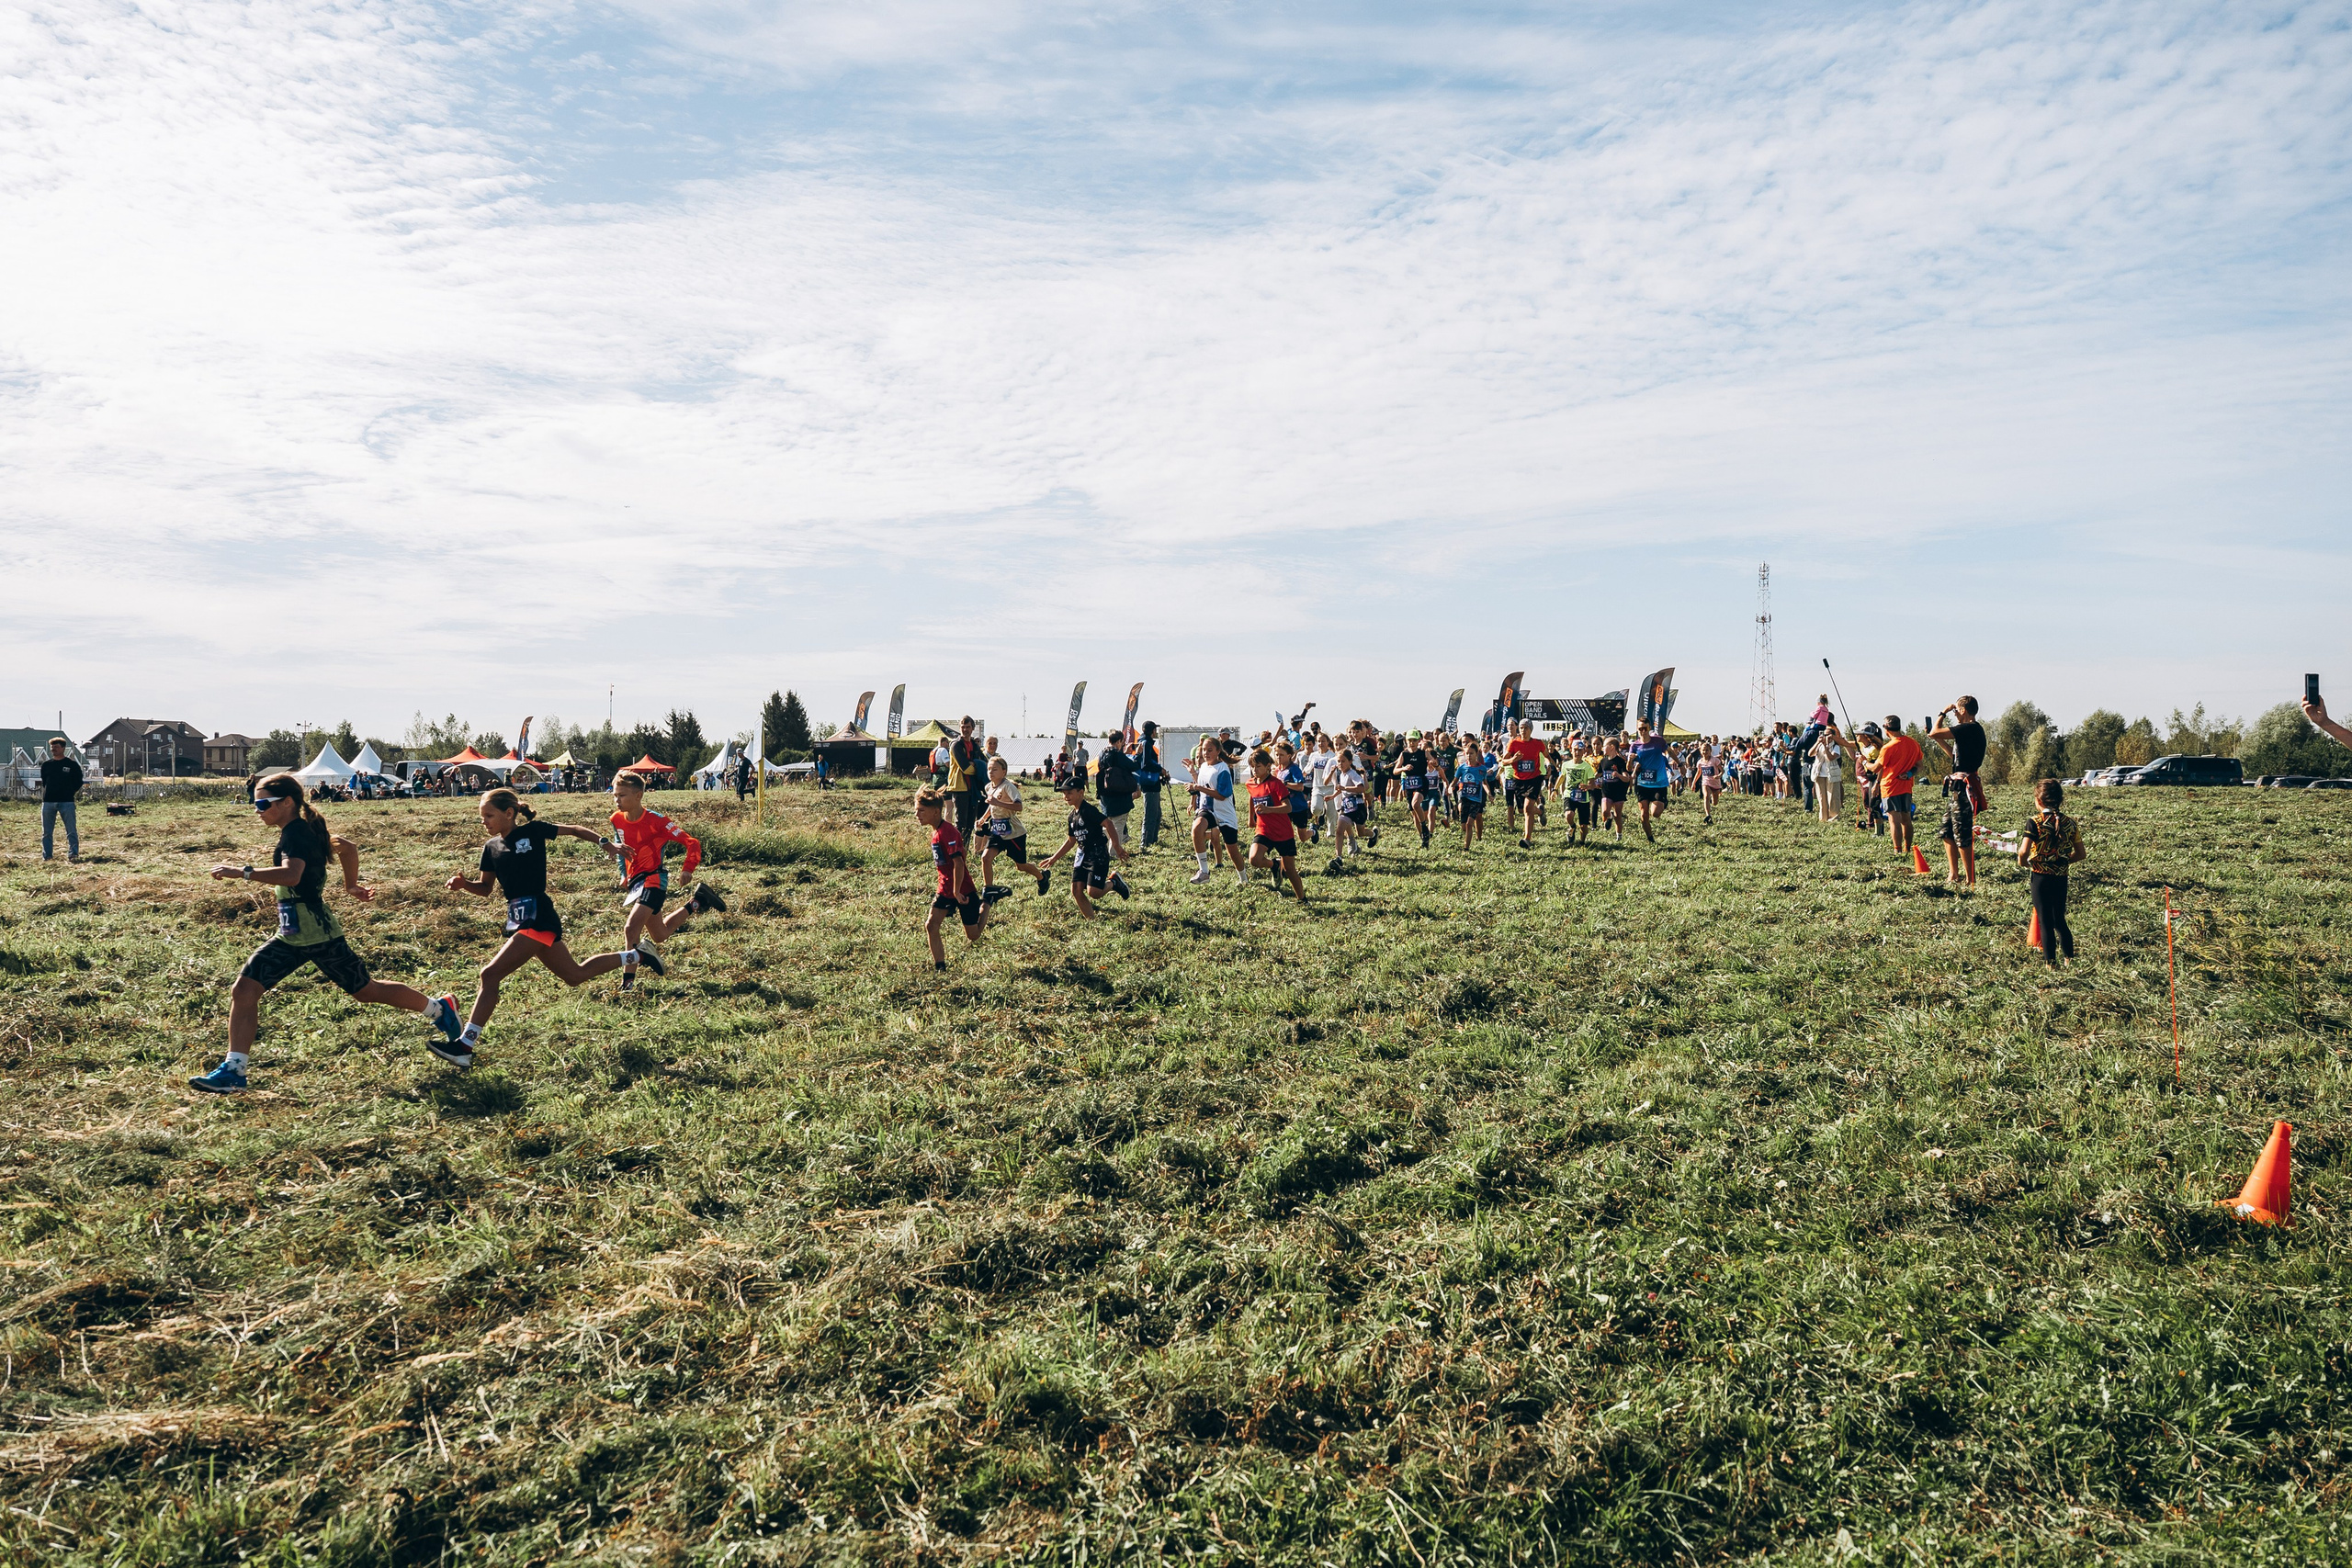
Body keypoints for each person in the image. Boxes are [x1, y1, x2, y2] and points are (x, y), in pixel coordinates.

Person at [187, 773, 466, 1094]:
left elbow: (292, 875)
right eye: (255, 804)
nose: (257, 810)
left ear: (287, 802)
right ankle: (234, 1071)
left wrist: (243, 872)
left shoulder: (296, 834)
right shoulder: (302, 830)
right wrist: (350, 885)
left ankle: (440, 1010)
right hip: (292, 935)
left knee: (365, 990)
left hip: (318, 935)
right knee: (245, 990)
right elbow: (346, 848)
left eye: (263, 803)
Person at [443, 788, 633, 1057]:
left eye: (489, 815)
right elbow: (485, 888)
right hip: (520, 918)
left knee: (490, 974)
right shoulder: (491, 848)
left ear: (509, 814)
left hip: (539, 915)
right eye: (481, 816)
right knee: (574, 975)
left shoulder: (533, 831)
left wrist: (607, 844)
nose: (483, 821)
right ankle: (636, 954)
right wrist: (464, 885)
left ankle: (465, 1045)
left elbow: (577, 829)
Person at [605, 771, 726, 989]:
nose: (616, 801)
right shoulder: (616, 820)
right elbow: (620, 847)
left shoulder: (657, 821)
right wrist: (624, 873)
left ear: (639, 795)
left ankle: (627, 985)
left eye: (621, 796)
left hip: (654, 880)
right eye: (614, 795)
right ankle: (698, 900)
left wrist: (688, 868)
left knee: (631, 929)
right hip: (636, 883)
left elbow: (692, 842)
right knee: (660, 934)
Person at [1037, 777, 1132, 917]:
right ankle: (1091, 921)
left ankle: (1113, 882)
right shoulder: (1072, 817)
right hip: (1082, 853)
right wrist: (1054, 858)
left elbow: (1108, 824)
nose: (1066, 796)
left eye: (1069, 793)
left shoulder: (1088, 810)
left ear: (1081, 793)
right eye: (1064, 793)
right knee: (1076, 890)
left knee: (1094, 892)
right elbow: (1071, 841)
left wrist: (1117, 846)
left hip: (1097, 853)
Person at [2017, 778, 2086, 965]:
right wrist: (2061, 863)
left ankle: (2050, 964)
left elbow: (2023, 851)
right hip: (2061, 877)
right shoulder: (2071, 824)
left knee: (2045, 921)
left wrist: (2023, 862)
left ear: (2038, 801)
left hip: (2040, 877)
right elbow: (2081, 854)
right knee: (2059, 920)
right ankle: (2069, 959)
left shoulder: (2034, 822)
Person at [918, 786, 988, 964]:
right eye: (916, 811)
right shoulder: (936, 831)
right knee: (931, 925)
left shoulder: (947, 832)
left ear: (935, 812)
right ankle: (940, 967)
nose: (917, 815)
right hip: (945, 888)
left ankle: (988, 901)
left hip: (962, 888)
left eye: (921, 811)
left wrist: (957, 892)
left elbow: (958, 863)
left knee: (973, 936)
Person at [1928, 696, 1986, 887]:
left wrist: (1942, 713)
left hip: (1964, 788)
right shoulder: (1969, 732)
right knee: (1947, 831)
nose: (1954, 715)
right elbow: (1953, 755)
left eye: (1956, 711)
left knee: (1962, 834)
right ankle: (1954, 874)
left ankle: (1971, 879)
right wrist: (1937, 738)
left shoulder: (1970, 728)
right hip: (1957, 786)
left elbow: (1934, 732)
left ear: (1963, 710)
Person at [978, 757, 1051, 901]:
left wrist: (998, 802)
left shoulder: (1008, 787)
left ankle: (1042, 877)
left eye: (995, 769)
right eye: (989, 769)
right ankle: (989, 890)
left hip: (1014, 833)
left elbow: (1019, 807)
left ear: (1004, 771)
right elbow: (992, 805)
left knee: (1021, 866)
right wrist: (983, 819)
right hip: (998, 831)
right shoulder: (989, 787)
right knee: (985, 858)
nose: (990, 772)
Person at [1242, 748, 1308, 899]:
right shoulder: (1250, 783)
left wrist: (1268, 809)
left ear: (1267, 767)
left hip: (1283, 832)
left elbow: (1288, 807)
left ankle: (1302, 899)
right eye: (1252, 766)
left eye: (1258, 766)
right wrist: (1251, 817)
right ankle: (1275, 865)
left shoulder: (1276, 784)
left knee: (1291, 870)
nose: (1254, 769)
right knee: (1254, 859)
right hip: (1264, 830)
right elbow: (1252, 797)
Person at [1187, 736, 1248, 884]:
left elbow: (1222, 795)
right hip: (1208, 810)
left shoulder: (1223, 769)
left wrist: (1198, 787)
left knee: (1232, 849)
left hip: (1225, 813)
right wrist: (1193, 775)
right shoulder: (1203, 767)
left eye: (1210, 750)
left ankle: (1244, 879)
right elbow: (1203, 785)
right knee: (1196, 829)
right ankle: (1204, 871)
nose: (1205, 753)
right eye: (1203, 750)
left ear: (1218, 751)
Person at [1873, 716, 1924, 861]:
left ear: (1886, 729)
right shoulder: (1913, 744)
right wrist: (1908, 774)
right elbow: (1919, 766)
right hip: (1906, 787)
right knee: (1906, 818)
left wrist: (1865, 763)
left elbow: (1876, 767)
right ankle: (1908, 848)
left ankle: (1897, 850)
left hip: (1890, 787)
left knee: (1893, 819)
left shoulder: (1888, 747)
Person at [1502, 720, 1546, 847]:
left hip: (1535, 778)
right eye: (1521, 728)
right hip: (1519, 780)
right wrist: (1513, 759)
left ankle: (1527, 839)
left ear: (1530, 730)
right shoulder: (1514, 743)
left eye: (1526, 728)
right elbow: (1503, 761)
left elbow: (1547, 755)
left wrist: (1551, 766)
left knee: (1527, 808)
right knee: (1522, 810)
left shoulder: (1537, 743)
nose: (1523, 730)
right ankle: (1540, 812)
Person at [1094, 733, 1137, 857]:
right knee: (1118, 825)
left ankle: (1100, 849)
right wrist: (1137, 755)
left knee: (1107, 824)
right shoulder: (1117, 754)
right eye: (1122, 742)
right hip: (1119, 795)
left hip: (1105, 795)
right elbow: (1133, 766)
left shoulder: (1102, 753)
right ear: (1119, 741)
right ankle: (1114, 853)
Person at [39, 738, 82, 862]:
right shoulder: (46, 765)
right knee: (46, 832)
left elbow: (78, 781)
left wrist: (69, 792)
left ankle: (73, 854)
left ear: (63, 748)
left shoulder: (71, 765)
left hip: (67, 802)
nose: (53, 749)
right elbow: (44, 781)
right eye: (52, 747)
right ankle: (47, 856)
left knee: (71, 830)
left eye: (56, 747)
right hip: (48, 802)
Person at [1632, 728, 1672, 843]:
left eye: (1645, 729)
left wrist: (1680, 765)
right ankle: (1650, 838)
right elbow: (1630, 767)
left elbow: (1669, 752)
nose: (1643, 731)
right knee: (1644, 814)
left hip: (1658, 784)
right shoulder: (1636, 746)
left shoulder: (1659, 745)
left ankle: (1663, 802)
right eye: (1640, 729)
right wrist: (1633, 763)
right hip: (1642, 785)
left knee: (1655, 813)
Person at [949, 717, 987, 840]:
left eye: (968, 727)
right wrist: (978, 768)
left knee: (970, 824)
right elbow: (965, 768)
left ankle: (964, 850)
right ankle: (957, 852)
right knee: (961, 824)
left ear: (973, 728)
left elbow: (985, 763)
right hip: (960, 787)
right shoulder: (956, 745)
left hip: (973, 788)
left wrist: (976, 764)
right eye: (963, 727)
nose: (965, 730)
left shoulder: (974, 746)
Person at [1453, 739, 1491, 848]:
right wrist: (1450, 787)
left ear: (1477, 754)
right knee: (1464, 826)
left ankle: (1466, 848)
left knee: (1470, 823)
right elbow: (1455, 781)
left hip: (1476, 800)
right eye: (1467, 753)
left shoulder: (1482, 769)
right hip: (1464, 797)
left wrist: (1489, 793)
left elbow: (1484, 783)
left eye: (1471, 753)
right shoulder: (1462, 768)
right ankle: (1457, 810)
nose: (1469, 756)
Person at [1136, 722, 1166, 847]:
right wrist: (1160, 769)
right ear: (1153, 731)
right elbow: (1146, 763)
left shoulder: (1144, 742)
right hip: (1150, 783)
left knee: (1156, 813)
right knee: (1151, 814)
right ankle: (1146, 843)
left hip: (1152, 783)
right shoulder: (1146, 743)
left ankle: (1152, 840)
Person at [1595, 738, 1632, 841]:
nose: (1602, 748)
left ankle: (1619, 836)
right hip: (1606, 792)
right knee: (1604, 812)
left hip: (1619, 792)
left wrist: (1619, 775)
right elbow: (1598, 774)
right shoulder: (1603, 761)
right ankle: (1609, 816)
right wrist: (1590, 780)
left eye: (1604, 746)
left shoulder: (1620, 762)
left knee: (1618, 815)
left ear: (1611, 747)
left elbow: (1626, 778)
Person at [1563, 738, 1598, 841]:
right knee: (1569, 815)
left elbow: (1592, 784)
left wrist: (1588, 787)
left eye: (1579, 750)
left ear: (1583, 752)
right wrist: (1555, 790)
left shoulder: (1587, 767)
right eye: (1575, 750)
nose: (1577, 752)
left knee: (1584, 827)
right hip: (1569, 794)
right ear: (1571, 751)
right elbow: (1562, 777)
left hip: (1583, 798)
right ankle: (1572, 827)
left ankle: (1582, 843)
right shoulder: (1566, 764)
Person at [1810, 727, 1845, 825]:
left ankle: (1834, 818)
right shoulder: (1819, 745)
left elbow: (1830, 758)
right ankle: (1823, 818)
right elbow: (1810, 753)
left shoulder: (1836, 747)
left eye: (1829, 735)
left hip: (1832, 774)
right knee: (1821, 797)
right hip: (1819, 774)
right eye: (1824, 734)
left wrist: (1826, 747)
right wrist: (1818, 743)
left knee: (1833, 797)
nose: (1826, 737)